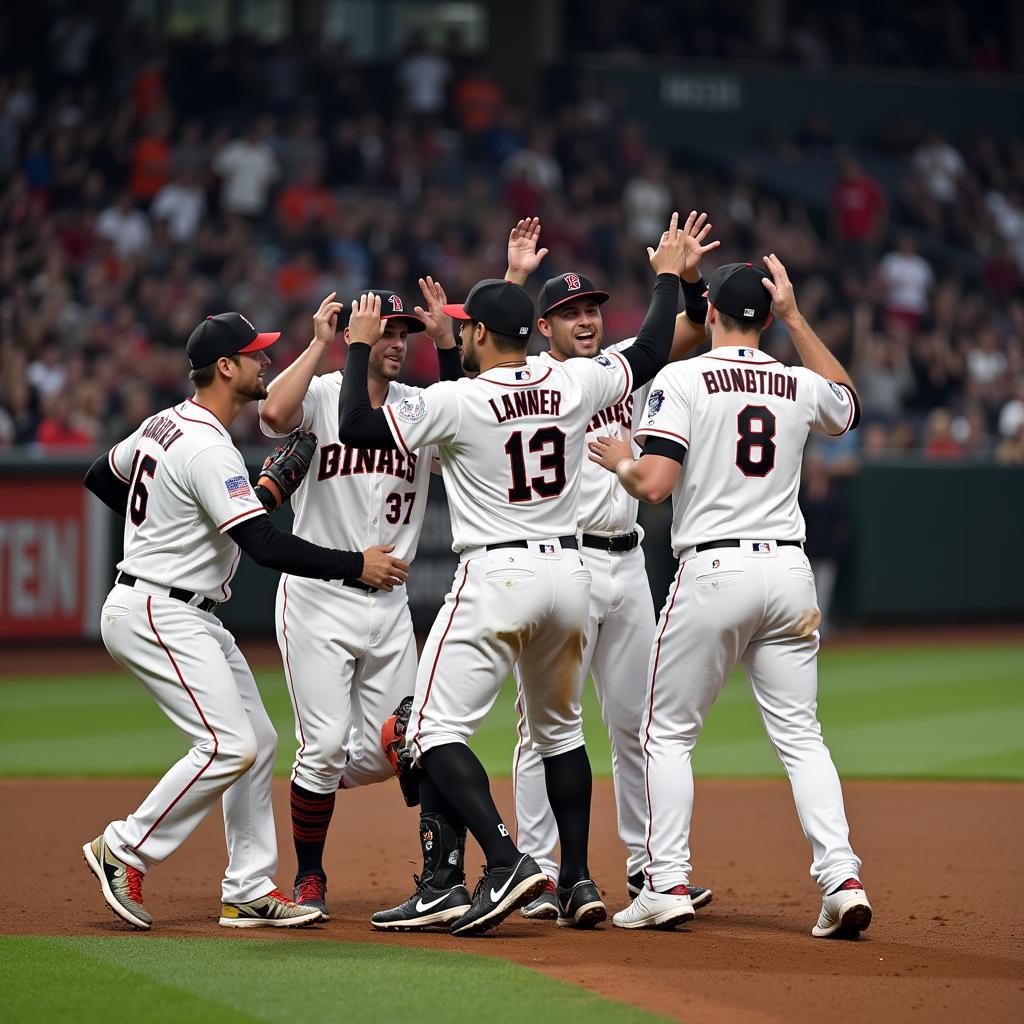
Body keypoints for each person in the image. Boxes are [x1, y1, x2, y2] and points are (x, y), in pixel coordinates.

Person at [338, 213, 691, 936]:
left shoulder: (460, 399)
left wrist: (356, 351)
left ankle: (505, 859)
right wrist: (664, 275)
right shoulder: (569, 384)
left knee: (428, 730)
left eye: (466, 327)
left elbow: (360, 428)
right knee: (563, 736)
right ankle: (577, 874)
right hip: (570, 574)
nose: (458, 334)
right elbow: (652, 346)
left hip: (496, 574)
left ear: (478, 338)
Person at [81, 308, 408, 931]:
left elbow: (102, 476)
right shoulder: (208, 446)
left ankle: (249, 887)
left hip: (183, 607)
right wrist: (353, 565)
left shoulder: (164, 424)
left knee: (258, 743)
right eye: (256, 355)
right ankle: (123, 847)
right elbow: (264, 547)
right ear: (226, 368)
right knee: (227, 744)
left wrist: (169, 524)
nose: (266, 363)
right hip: (159, 607)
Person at [590, 255, 872, 937]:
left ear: (709, 311)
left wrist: (622, 459)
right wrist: (800, 319)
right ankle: (840, 878)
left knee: (666, 733)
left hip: (714, 569)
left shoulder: (684, 378)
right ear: (769, 318)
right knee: (802, 738)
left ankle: (665, 882)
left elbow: (654, 486)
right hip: (789, 574)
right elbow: (849, 406)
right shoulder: (797, 381)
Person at [498, 217, 718, 918]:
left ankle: (651, 871)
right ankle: (533, 874)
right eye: (568, 314)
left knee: (636, 724)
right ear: (543, 328)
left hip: (628, 565)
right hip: (567, 561)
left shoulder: (623, 362)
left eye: (592, 308)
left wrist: (686, 277)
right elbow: (486, 363)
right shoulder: (530, 381)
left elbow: (694, 327)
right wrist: (511, 283)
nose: (586, 321)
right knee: (545, 727)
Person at [258, 282, 463, 919]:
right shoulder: (323, 395)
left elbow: (465, 409)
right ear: (361, 338)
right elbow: (270, 414)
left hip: (390, 607)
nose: (397, 342)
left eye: (403, 332)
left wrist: (449, 347)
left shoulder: (420, 408)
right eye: (387, 331)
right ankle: (310, 875)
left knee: (405, 742)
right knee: (320, 747)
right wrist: (323, 344)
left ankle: (318, 787)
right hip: (319, 599)